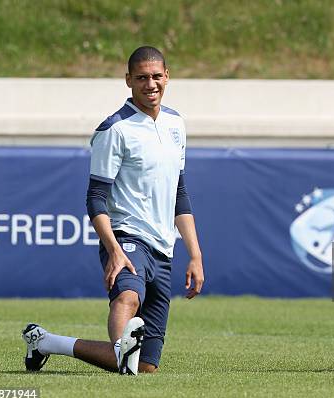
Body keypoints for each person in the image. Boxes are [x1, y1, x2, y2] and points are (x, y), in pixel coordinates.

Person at [21, 46, 204, 375]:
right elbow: (95, 197)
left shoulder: (177, 123)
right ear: (128, 81)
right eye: (142, 77)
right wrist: (115, 250)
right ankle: (123, 352)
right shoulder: (114, 129)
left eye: (157, 76)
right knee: (128, 298)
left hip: (164, 248)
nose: (151, 84)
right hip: (128, 237)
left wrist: (195, 254)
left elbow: (180, 192)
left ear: (168, 76)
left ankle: (46, 343)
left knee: (144, 366)